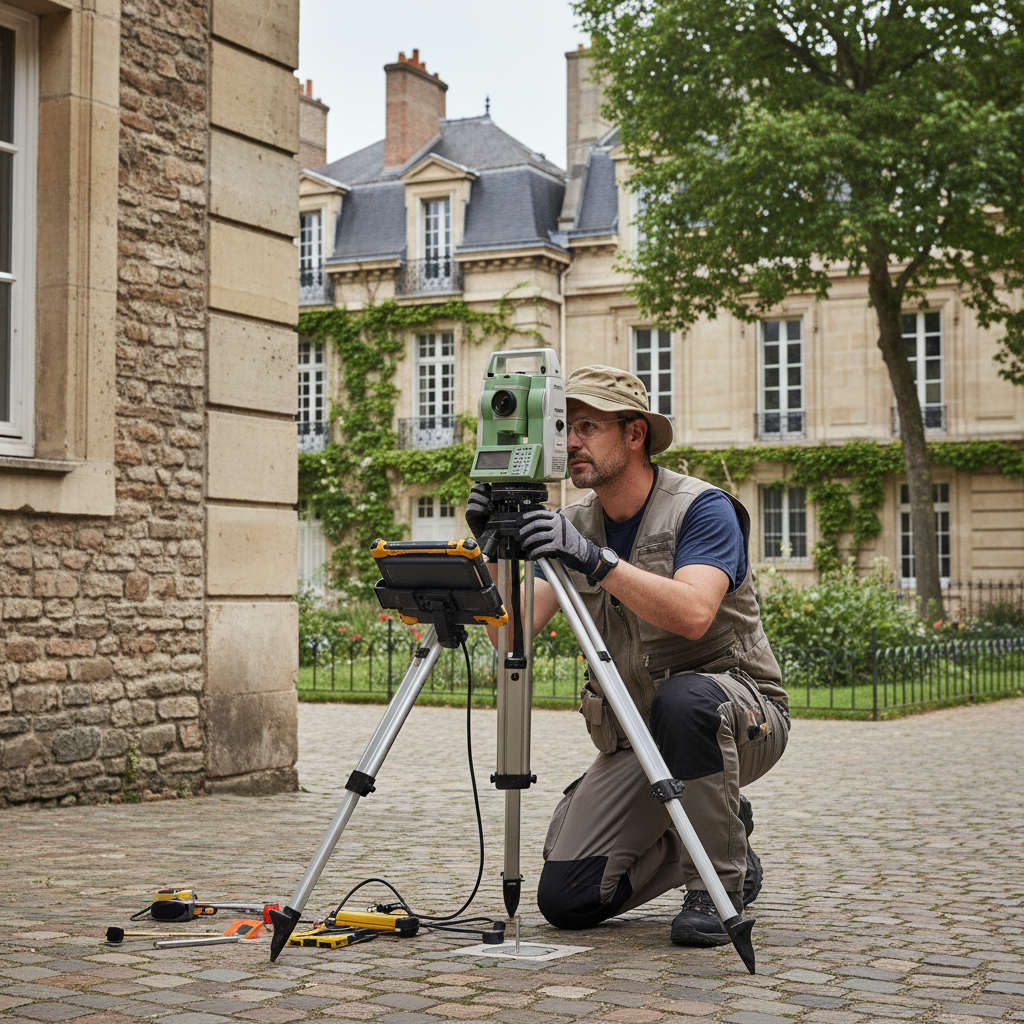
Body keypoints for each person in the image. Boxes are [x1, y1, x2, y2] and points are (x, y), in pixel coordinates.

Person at [465, 365, 789, 947]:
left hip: (739, 715)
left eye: (587, 426)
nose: (569, 443)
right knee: (568, 900)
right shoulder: (570, 525)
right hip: (639, 738)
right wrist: (497, 545)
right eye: (564, 428)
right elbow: (509, 638)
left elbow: (693, 614)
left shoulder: (702, 508)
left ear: (635, 434)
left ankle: (717, 887)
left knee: (685, 698)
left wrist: (594, 561)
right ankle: (724, 834)